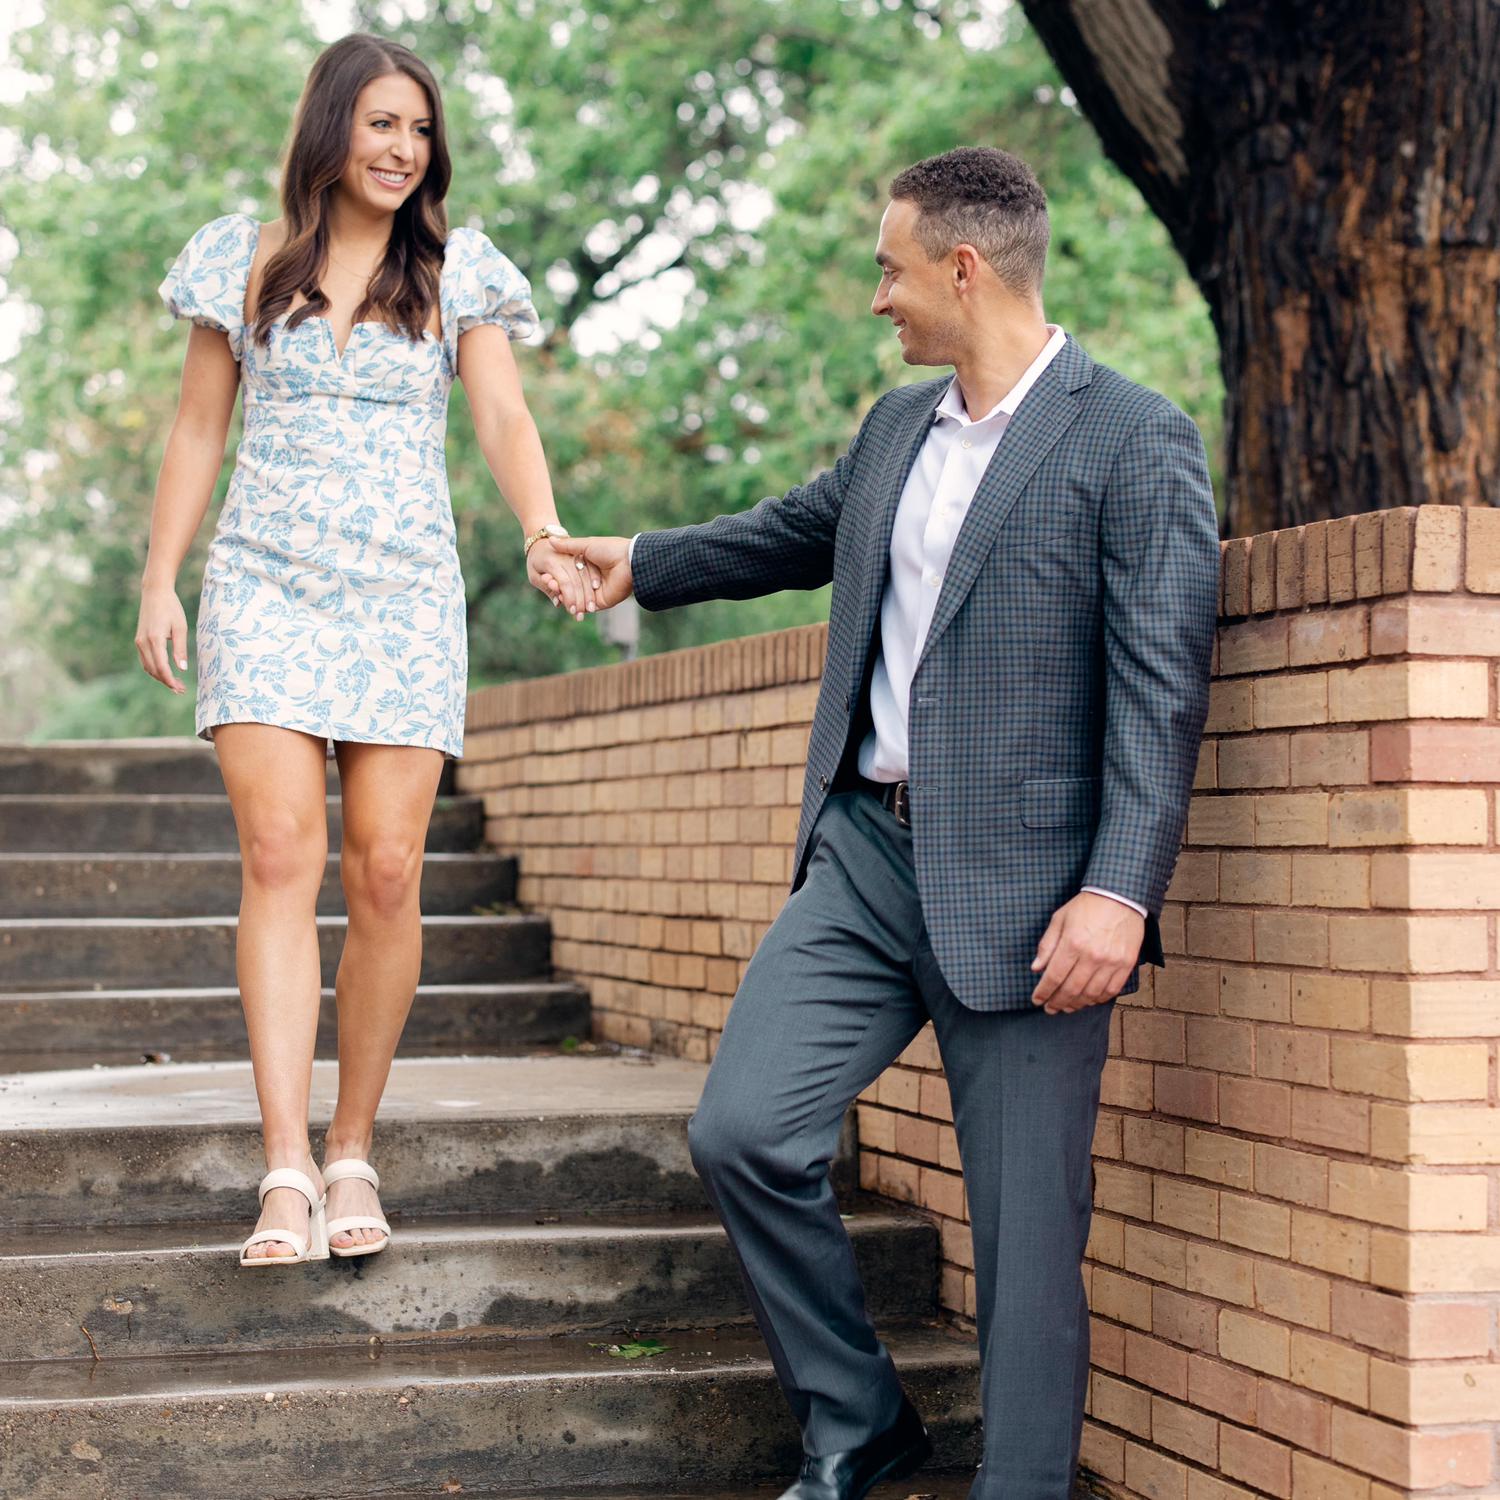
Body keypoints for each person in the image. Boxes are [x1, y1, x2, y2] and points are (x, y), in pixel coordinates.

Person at [552, 147, 1219, 1500]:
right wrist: (645, 562)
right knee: (745, 1132)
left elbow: (1163, 686)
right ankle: (858, 1418)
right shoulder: (897, 430)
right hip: (865, 855)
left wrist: (1121, 891)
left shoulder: (1131, 436)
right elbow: (796, 531)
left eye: (889, 269)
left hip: (1035, 889)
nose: (878, 298)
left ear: (962, 269)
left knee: (1025, 1236)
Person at [139, 32, 598, 1267]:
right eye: (382, 123)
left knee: (388, 872)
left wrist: (543, 529)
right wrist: (161, 575)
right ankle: (284, 1165)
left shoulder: (456, 269)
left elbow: (501, 412)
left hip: (403, 596)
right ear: (332, 126)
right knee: (279, 856)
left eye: (420, 129)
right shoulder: (241, 259)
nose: (403, 148)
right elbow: (196, 429)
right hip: (264, 586)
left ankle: (352, 1147)